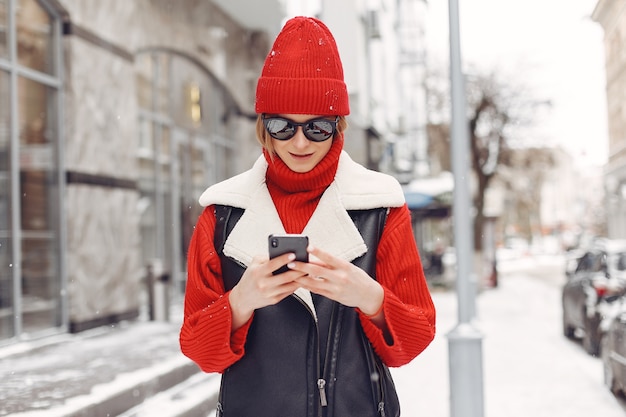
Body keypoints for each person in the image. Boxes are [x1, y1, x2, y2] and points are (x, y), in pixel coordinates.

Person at [179, 16, 436, 417]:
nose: (299, 142)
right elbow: (200, 351)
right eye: (282, 126)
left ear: (339, 127)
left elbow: (415, 339)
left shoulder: (381, 206)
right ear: (264, 125)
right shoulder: (222, 212)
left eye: (317, 127)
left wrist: (368, 297)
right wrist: (241, 301)